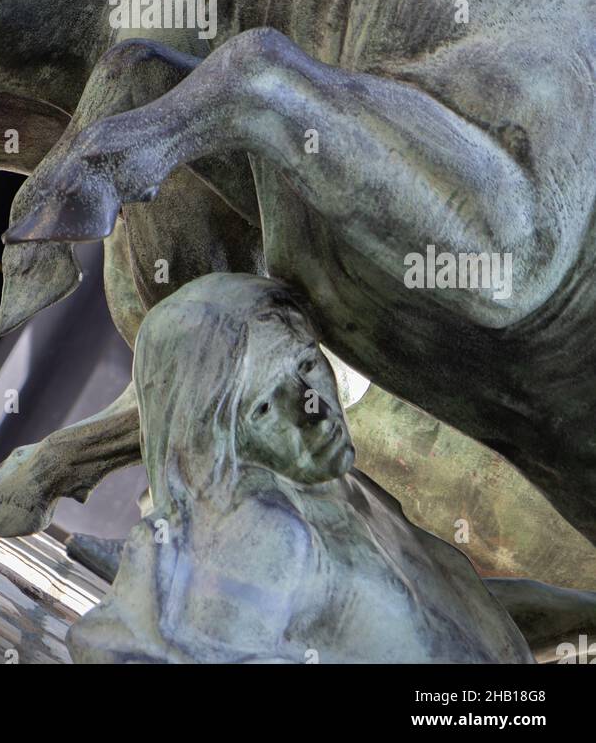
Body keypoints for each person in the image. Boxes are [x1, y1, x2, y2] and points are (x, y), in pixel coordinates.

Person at [68, 274, 594, 665]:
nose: (312, 409)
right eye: (264, 409)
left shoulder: (336, 489)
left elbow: (445, 615)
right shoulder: (262, 534)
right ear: (214, 436)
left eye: (304, 365)